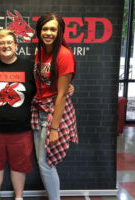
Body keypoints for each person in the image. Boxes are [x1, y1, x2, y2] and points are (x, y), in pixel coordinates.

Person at [0, 29, 35, 200]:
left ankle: (19, 197)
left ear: (16, 45)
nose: (6, 46)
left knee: (20, 166)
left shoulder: (28, 66)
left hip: (21, 129)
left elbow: (44, 89)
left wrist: (67, 88)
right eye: (1, 43)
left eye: (9, 42)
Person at [31, 12, 78, 200]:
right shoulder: (40, 52)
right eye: (45, 28)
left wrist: (54, 128)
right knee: (44, 162)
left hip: (55, 113)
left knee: (45, 163)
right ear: (39, 31)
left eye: (53, 29)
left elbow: (61, 96)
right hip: (40, 111)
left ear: (60, 32)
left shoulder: (64, 55)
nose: (48, 33)